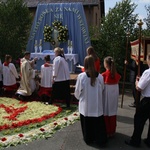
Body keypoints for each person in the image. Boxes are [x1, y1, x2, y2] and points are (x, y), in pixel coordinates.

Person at [74, 55, 107, 147]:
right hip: (97, 106)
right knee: (97, 124)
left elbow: (77, 91)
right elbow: (103, 89)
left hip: (86, 107)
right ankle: (99, 139)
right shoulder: (100, 76)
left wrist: (78, 98)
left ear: (85, 64)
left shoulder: (81, 77)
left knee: (87, 123)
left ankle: (88, 138)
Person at [125, 53, 150, 148]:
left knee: (139, 120)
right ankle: (149, 140)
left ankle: (135, 141)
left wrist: (137, 82)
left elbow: (139, 87)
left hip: (148, 100)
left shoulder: (148, 72)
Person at [102, 56, 121, 137]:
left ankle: (107, 131)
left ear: (106, 65)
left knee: (106, 112)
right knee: (112, 112)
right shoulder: (116, 75)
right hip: (114, 97)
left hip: (106, 97)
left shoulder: (103, 75)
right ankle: (112, 131)